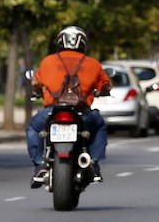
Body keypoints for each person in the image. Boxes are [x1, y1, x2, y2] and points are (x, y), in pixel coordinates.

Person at [26, 25, 111, 188]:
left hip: (53, 111)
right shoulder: (93, 64)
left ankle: (39, 165)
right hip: (81, 112)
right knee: (99, 125)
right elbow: (105, 85)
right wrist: (100, 91)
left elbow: (36, 82)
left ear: (60, 41)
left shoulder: (48, 61)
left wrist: (38, 91)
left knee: (34, 128)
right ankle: (93, 162)